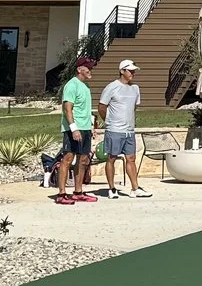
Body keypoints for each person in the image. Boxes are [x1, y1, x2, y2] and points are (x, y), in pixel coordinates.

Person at [56, 56, 99, 204]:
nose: (90, 70)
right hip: (73, 129)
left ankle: (78, 191)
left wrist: (91, 126)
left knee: (83, 160)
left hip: (85, 128)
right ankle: (61, 194)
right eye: (88, 67)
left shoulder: (85, 87)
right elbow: (67, 108)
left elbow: (85, 110)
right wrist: (74, 129)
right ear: (79, 69)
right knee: (68, 159)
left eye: (91, 67)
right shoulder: (72, 85)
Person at [101, 59, 146, 197]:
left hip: (129, 131)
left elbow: (134, 107)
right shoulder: (112, 87)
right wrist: (109, 122)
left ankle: (135, 188)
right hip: (114, 130)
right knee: (112, 158)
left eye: (133, 71)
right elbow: (102, 106)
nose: (132, 73)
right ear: (122, 71)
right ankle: (112, 188)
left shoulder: (135, 88)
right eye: (130, 71)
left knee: (131, 158)